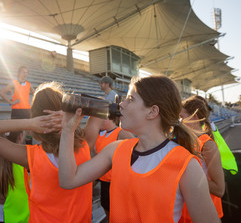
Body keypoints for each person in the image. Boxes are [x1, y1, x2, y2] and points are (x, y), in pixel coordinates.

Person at [58, 75, 220, 222]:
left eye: (130, 99)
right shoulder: (115, 150)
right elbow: (68, 180)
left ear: (152, 112)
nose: (121, 104)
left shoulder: (186, 166)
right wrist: (67, 131)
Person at [0, 82, 92, 223]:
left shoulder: (32, 156)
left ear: (35, 116)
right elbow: (100, 105)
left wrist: (28, 123)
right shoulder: (84, 143)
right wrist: (70, 115)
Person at [180, 97, 225, 220]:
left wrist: (188, 179)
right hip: (188, 216)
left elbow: (220, 189)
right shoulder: (186, 143)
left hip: (206, 216)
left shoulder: (207, 145)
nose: (178, 121)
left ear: (194, 117)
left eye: (181, 117)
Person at [87, 118, 134, 218]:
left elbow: (136, 150)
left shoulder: (121, 133)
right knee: (105, 206)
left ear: (107, 118)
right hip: (103, 177)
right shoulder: (101, 134)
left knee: (114, 210)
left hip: (114, 182)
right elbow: (97, 154)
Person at [189, 95, 238, 174]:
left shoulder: (200, 130)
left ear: (194, 114)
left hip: (224, 170)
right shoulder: (209, 125)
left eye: (181, 116)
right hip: (229, 168)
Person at [0, 66, 35, 145]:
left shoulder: (29, 84)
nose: (25, 74)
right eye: (23, 72)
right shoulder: (14, 83)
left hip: (27, 110)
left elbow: (35, 94)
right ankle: (15, 153)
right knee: (16, 133)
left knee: (29, 132)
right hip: (17, 111)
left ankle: (29, 151)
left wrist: (33, 103)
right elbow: (1, 92)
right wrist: (11, 102)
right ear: (19, 73)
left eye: (26, 72)